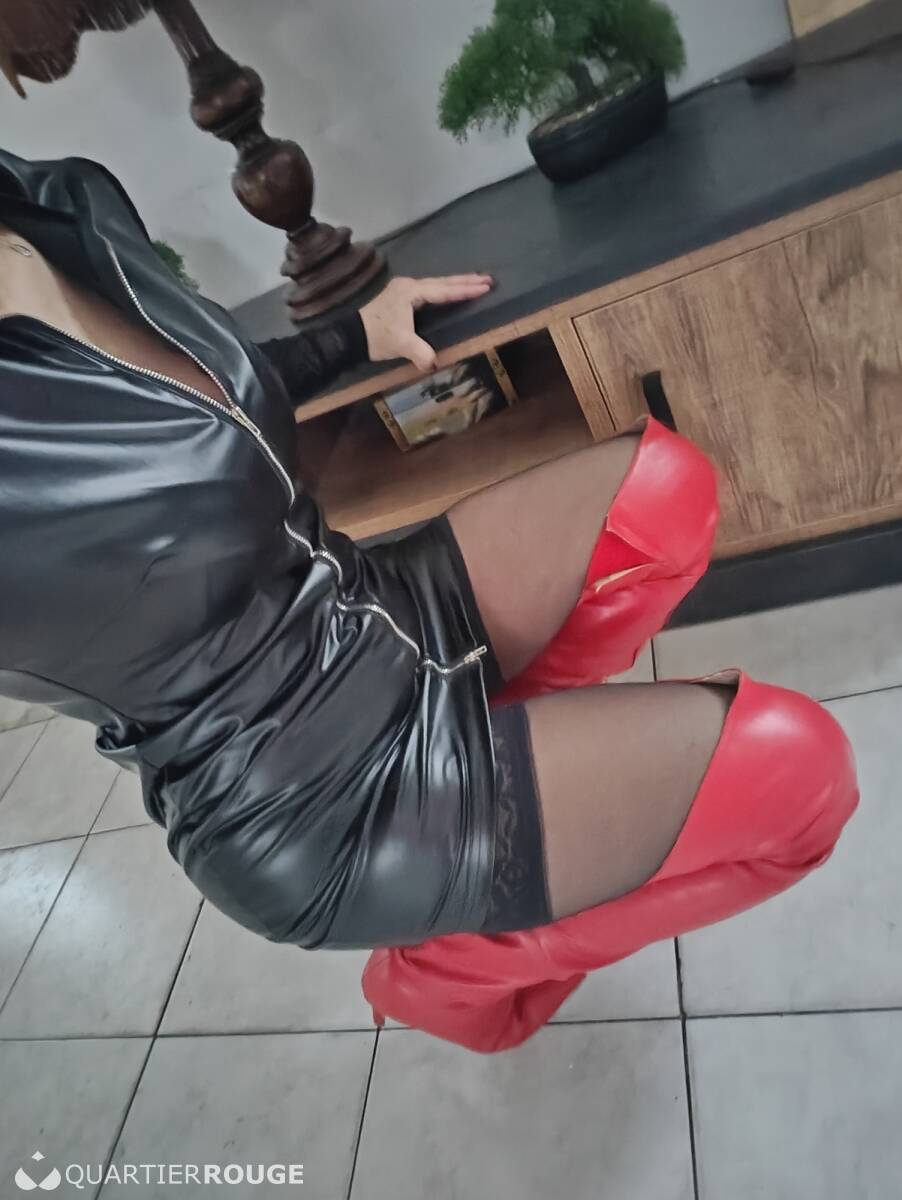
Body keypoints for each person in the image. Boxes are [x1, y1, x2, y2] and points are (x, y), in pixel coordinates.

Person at [0, 150, 858, 1050]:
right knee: (804, 779)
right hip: (313, 788)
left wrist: (352, 337)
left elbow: (186, 407)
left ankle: (510, 766)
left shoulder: (48, 200)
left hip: (360, 602)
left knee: (663, 496)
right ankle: (447, 970)